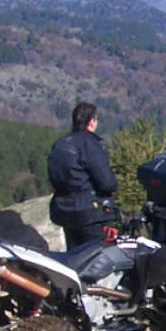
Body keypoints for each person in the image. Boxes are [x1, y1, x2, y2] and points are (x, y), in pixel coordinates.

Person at [47, 101, 119, 249]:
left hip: (64, 210)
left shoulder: (61, 144)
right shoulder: (91, 145)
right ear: (92, 121)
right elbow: (107, 183)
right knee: (96, 257)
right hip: (90, 214)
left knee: (74, 256)